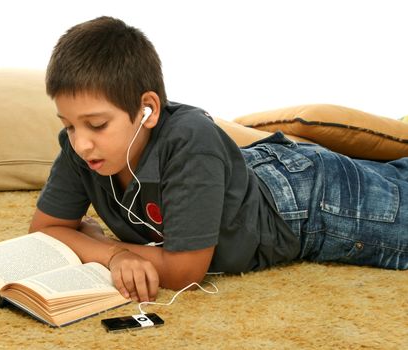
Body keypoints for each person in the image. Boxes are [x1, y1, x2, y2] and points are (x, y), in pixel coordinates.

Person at [29, 16, 408, 304]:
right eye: (70, 126)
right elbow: (44, 230)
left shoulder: (190, 138)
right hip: (248, 175)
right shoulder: (81, 148)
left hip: (308, 202)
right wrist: (114, 255)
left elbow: (184, 270)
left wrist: (108, 250)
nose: (81, 144)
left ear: (147, 110)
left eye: (96, 125)